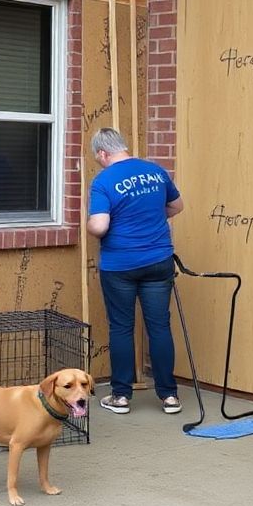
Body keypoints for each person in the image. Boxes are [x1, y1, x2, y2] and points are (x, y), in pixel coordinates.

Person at [87, 128, 185, 414]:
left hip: (120, 265)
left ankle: (120, 396)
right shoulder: (155, 172)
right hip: (158, 260)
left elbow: (100, 226)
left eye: (98, 157)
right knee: (159, 326)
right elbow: (177, 206)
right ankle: (169, 396)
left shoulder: (103, 180)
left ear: (103, 153)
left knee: (121, 327)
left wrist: (91, 225)